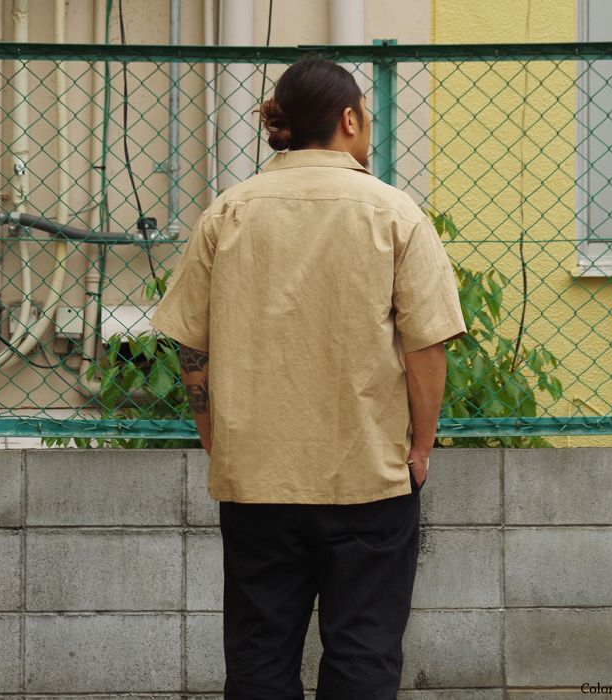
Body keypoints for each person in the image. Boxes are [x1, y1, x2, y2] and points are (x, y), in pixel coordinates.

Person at [149, 57, 467, 700]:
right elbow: (427, 345)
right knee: (364, 651)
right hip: (369, 476)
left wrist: (213, 432)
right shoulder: (394, 213)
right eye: (366, 114)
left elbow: (190, 341)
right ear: (348, 119)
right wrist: (419, 447)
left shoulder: (228, 212)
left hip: (257, 479)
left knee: (259, 657)